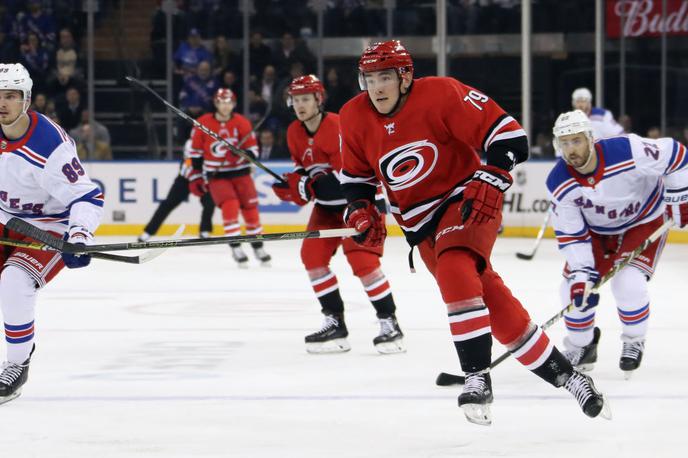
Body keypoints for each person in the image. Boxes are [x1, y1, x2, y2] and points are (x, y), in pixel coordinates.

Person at [338, 40, 610, 425]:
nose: (377, 87)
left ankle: (477, 377)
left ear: (405, 76)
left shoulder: (442, 93)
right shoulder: (352, 115)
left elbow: (511, 138)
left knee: (454, 267)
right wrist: (361, 209)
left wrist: (495, 172)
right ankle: (569, 377)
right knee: (496, 307)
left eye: (385, 77)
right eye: (369, 78)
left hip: (468, 200)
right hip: (420, 226)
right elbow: (357, 179)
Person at [546, 110, 688, 379]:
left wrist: (679, 194)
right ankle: (582, 345)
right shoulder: (559, 181)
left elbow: (676, 154)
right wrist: (581, 275)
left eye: (576, 141)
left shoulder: (627, 150)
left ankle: (634, 340)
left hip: (643, 221)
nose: (570, 150)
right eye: (564, 143)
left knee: (628, 283)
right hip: (597, 233)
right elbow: (573, 236)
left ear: (590, 138)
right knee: (572, 293)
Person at [272, 75, 405, 354]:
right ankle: (334, 322)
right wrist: (295, 184)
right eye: (296, 100)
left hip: (359, 203)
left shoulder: (335, 126)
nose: (300, 105)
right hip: (327, 207)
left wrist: (308, 186)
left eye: (305, 99)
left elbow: (345, 180)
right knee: (312, 257)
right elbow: (305, 170)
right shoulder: (294, 132)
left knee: (363, 262)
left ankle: (389, 323)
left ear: (318, 100)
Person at [0, 63, 103, 404]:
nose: (3, 103)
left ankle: (16, 363)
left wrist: (79, 236)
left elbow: (87, 196)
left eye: (11, 96)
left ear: (27, 99)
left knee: (15, 281)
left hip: (50, 223)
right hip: (6, 217)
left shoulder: (49, 145)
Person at [187, 88, 271, 267]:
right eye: (221, 102)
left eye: (228, 102)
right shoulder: (202, 123)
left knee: (251, 210)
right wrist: (195, 176)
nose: (225, 106)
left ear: (233, 104)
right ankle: (236, 247)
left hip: (241, 173)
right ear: (216, 103)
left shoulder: (242, 122)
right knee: (230, 206)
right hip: (217, 175)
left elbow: (253, 151)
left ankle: (258, 246)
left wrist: (241, 154)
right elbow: (195, 153)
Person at [138, 138, 215, 242]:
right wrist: (195, 178)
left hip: (205, 179)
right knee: (168, 203)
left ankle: (204, 231)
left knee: (210, 202)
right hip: (185, 178)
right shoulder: (191, 143)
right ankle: (147, 233)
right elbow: (189, 163)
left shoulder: (214, 142)